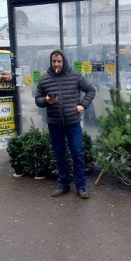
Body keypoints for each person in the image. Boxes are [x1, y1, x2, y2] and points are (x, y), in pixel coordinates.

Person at [35, 49, 96, 199]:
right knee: (60, 154)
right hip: (55, 123)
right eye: (54, 61)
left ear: (64, 61)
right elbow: (38, 100)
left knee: (77, 153)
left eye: (59, 61)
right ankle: (64, 185)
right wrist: (46, 101)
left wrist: (82, 105)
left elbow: (91, 90)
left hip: (73, 123)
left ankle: (81, 187)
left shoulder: (75, 76)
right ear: (51, 62)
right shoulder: (44, 79)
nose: (57, 64)